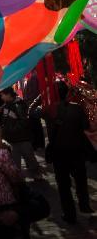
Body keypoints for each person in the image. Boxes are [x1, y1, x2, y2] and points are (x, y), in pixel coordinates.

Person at [33, 80, 94, 223]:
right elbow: (87, 127)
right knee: (81, 180)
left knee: (63, 186)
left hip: (59, 153)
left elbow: (31, 112)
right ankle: (84, 207)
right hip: (77, 150)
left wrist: (41, 97)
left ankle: (69, 214)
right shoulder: (77, 108)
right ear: (67, 93)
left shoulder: (48, 109)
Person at [0, 88, 43, 179]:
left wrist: (10, 129)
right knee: (15, 161)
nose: (1, 97)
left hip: (22, 138)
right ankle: (18, 179)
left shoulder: (18, 105)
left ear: (9, 95)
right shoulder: (7, 105)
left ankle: (37, 174)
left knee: (29, 157)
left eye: (2, 95)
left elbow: (23, 122)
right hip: (12, 139)